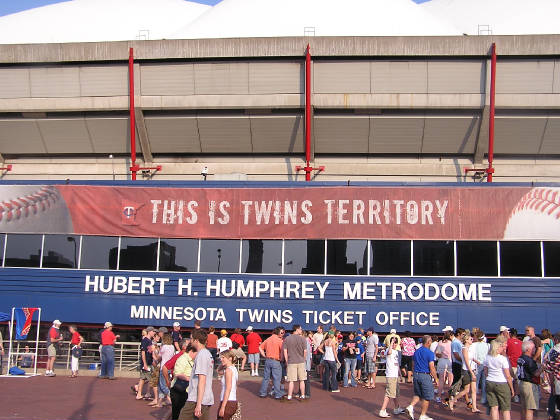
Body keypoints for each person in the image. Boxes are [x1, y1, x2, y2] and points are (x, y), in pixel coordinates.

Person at [180, 329, 214, 420]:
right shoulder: (207, 354)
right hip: (203, 398)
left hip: (196, 398)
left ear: (196, 340)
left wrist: (198, 404)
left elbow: (202, 380)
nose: (190, 341)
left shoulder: (202, 355)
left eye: (191, 339)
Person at [405, 335, 439, 420]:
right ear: (428, 342)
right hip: (425, 375)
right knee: (427, 397)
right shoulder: (429, 353)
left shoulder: (417, 351)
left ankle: (411, 406)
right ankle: (422, 415)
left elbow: (413, 364)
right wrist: (436, 378)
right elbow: (432, 367)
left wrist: (414, 372)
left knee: (418, 394)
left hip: (416, 374)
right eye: (430, 341)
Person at [449, 333, 480, 413]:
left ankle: (474, 407)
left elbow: (471, 358)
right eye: (470, 339)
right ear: (466, 340)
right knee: (466, 390)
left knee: (473, 390)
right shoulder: (464, 348)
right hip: (466, 370)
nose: (472, 340)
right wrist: (472, 373)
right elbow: (466, 361)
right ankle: (453, 400)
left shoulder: (470, 348)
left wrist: (478, 362)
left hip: (472, 369)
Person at [484, 339, 514, 420]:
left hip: (490, 381)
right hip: (501, 383)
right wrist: (512, 388)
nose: (502, 348)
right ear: (497, 348)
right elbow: (508, 376)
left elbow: (485, 371)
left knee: (494, 407)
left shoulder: (487, 357)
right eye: (501, 346)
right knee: (506, 409)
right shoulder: (502, 359)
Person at [167, 341, 196, 420]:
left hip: (187, 390)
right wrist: (190, 379)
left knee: (182, 413)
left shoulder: (193, 360)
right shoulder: (182, 359)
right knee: (177, 413)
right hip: (179, 390)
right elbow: (177, 373)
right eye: (196, 353)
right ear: (192, 351)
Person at [379, 337, 406, 418]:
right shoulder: (388, 349)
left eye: (395, 343)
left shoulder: (396, 352)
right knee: (389, 393)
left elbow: (397, 364)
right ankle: (382, 410)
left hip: (395, 375)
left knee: (395, 393)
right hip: (390, 375)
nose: (394, 344)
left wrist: (400, 375)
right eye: (393, 343)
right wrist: (391, 343)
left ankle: (397, 408)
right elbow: (389, 352)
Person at [259, 326, 285, 399]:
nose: (283, 334)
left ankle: (263, 393)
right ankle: (277, 394)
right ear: (279, 333)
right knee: (277, 378)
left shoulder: (268, 339)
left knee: (266, 378)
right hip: (276, 360)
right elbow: (282, 350)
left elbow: (260, 347)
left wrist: (264, 355)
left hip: (268, 360)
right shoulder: (279, 340)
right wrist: (282, 358)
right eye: (282, 332)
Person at [283, 324, 308, 401]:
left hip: (291, 361)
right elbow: (305, 351)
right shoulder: (303, 339)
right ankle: (303, 395)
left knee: (291, 380)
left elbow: (285, 351)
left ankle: (289, 396)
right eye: (300, 329)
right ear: (297, 329)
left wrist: (287, 361)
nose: (301, 330)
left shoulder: (287, 339)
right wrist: (303, 359)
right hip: (301, 361)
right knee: (302, 380)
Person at [517, 340, 541, 420]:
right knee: (529, 409)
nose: (535, 350)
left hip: (522, 383)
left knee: (523, 407)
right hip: (529, 385)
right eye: (533, 348)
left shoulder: (520, 358)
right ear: (528, 349)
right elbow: (536, 374)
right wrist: (543, 368)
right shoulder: (529, 360)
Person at [217, 350, 239, 420]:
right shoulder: (233, 369)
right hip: (232, 401)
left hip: (227, 401)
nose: (221, 359)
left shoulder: (228, 371)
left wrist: (223, 407)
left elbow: (228, 388)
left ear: (230, 358)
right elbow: (218, 371)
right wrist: (223, 364)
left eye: (223, 357)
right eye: (221, 357)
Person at [543, 332, 560, 420]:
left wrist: (551, 384)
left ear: (556, 340)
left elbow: (548, 369)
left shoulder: (552, 352)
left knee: (554, 407)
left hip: (556, 383)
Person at [136, 326, 156, 400]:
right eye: (153, 331)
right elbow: (143, 352)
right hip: (146, 362)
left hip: (148, 362)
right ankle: (154, 395)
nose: (154, 333)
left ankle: (139, 394)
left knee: (143, 378)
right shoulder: (145, 340)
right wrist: (144, 364)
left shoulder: (149, 341)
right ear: (149, 332)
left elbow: (150, 352)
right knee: (152, 379)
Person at [435, 327, 453, 403]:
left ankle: (438, 396)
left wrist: (442, 355)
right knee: (450, 379)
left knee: (441, 379)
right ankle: (450, 396)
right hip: (450, 361)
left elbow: (437, 353)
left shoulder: (440, 343)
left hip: (442, 360)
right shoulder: (452, 343)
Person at [472, 329, 489, 406]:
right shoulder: (488, 345)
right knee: (484, 382)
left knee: (475, 382)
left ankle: (474, 398)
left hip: (477, 364)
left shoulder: (474, 345)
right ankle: (483, 398)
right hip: (485, 364)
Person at [506, 328, 523, 403]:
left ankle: (510, 395)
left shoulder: (508, 342)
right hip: (518, 364)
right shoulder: (521, 342)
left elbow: (505, 352)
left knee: (509, 380)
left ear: (510, 334)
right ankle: (516, 396)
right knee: (517, 381)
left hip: (510, 364)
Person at [159, 333, 175, 407]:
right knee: (165, 383)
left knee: (163, 385)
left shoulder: (164, 347)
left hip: (163, 367)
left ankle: (172, 396)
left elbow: (159, 356)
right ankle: (160, 401)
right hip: (170, 366)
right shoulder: (172, 347)